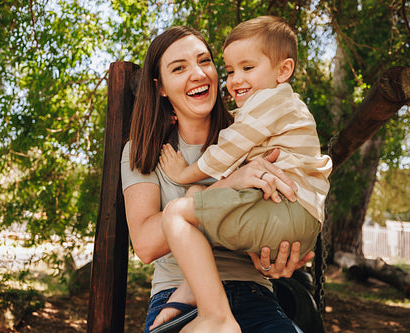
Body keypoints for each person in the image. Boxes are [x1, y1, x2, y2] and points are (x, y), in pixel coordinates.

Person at [121, 25, 314, 333]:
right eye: (179, 68)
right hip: (176, 299)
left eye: (205, 61)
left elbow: (281, 209)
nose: (198, 73)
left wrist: (278, 258)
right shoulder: (145, 150)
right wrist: (230, 182)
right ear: (160, 87)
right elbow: (145, 244)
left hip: (251, 291)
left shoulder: (254, 132)